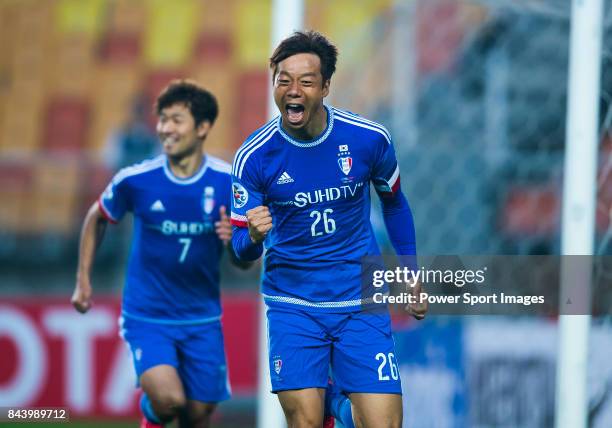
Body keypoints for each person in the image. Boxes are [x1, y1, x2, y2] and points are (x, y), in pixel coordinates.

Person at [230, 31, 427, 428]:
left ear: (325, 87)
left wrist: (409, 273)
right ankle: (325, 408)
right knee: (303, 422)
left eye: (305, 81)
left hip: (360, 299)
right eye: (283, 80)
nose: (292, 90)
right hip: (294, 304)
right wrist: (252, 237)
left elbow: (395, 204)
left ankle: (336, 406)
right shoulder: (253, 157)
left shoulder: (369, 139)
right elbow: (240, 251)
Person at [71, 80, 249, 428]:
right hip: (148, 315)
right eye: (163, 119)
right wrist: (83, 281)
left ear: (202, 127)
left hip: (202, 318)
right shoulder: (136, 179)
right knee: (168, 401)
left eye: (176, 120)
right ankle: (151, 414)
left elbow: (245, 262)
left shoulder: (228, 182)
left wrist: (233, 243)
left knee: (198, 415)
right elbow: (97, 218)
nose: (165, 128)